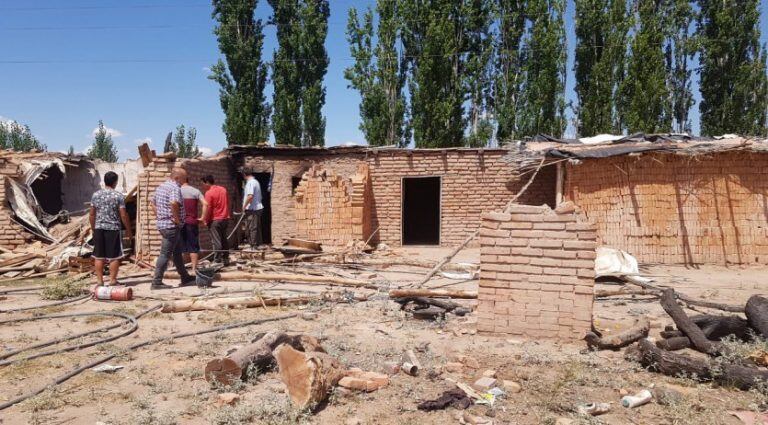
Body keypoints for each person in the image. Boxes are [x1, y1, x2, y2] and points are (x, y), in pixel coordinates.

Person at [151, 167, 195, 290]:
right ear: (176, 177)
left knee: (177, 253)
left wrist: (159, 215)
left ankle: (185, 277)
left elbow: (152, 203)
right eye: (183, 178)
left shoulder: (161, 187)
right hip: (171, 227)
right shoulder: (175, 188)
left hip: (163, 225)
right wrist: (176, 219)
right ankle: (156, 282)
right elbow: (174, 203)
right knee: (165, 254)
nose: (185, 180)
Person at [89, 171, 132, 286]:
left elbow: (92, 214)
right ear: (115, 182)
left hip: (99, 228)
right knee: (114, 256)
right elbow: (123, 215)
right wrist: (128, 230)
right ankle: (112, 280)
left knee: (99, 256)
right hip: (113, 229)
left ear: (104, 181)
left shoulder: (96, 195)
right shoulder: (118, 196)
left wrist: (93, 229)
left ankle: (99, 281)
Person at [200, 175, 230, 265]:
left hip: (215, 220)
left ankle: (217, 260)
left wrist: (205, 220)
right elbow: (227, 202)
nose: (202, 186)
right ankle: (226, 258)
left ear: (207, 182)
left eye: (203, 184)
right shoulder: (223, 189)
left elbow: (208, 208)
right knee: (224, 239)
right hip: (225, 218)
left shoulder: (209, 193)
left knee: (216, 240)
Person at [180, 175, 208, 274]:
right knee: (193, 247)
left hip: (180, 223)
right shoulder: (195, 191)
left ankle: (182, 270)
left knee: (181, 247)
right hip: (192, 222)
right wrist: (203, 217)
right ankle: (194, 269)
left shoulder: (177, 191)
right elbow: (205, 203)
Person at [242, 172, 264, 249]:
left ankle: (253, 246)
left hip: (252, 209)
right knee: (255, 227)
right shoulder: (256, 182)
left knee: (252, 227)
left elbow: (250, 196)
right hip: (256, 208)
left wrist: (244, 206)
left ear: (244, 175)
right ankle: (258, 245)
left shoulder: (250, 183)